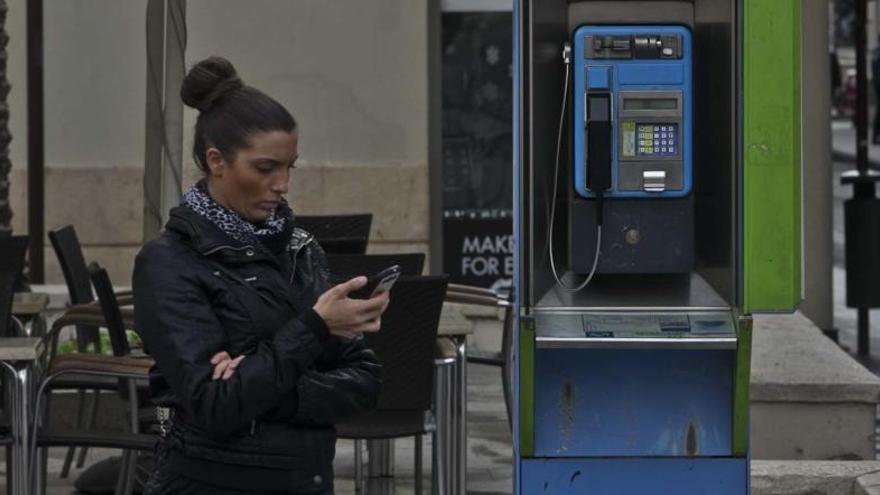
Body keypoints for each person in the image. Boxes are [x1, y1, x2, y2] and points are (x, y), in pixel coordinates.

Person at [134, 56, 387, 494]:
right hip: (213, 482)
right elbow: (215, 406)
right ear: (217, 161)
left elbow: (364, 382)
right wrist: (314, 328)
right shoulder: (169, 262)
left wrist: (263, 387)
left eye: (291, 167)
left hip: (306, 478)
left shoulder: (299, 248)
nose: (283, 184)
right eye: (266, 168)